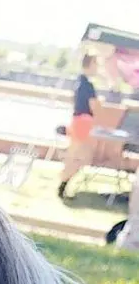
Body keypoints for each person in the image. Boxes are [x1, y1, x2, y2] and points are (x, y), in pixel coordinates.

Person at [58, 54, 101, 199]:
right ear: (91, 64)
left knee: (76, 155)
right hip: (84, 123)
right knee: (80, 157)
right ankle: (63, 184)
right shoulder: (88, 85)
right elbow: (94, 106)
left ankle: (64, 184)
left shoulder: (79, 82)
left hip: (77, 121)